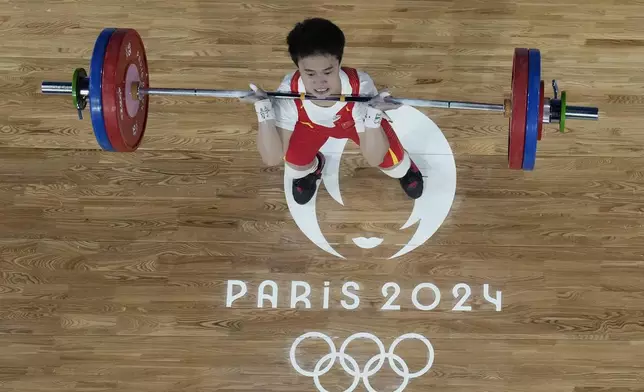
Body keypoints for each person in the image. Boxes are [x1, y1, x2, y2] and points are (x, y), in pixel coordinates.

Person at [240, 17, 424, 205]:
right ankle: (315, 167)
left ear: (339, 62)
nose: (320, 83)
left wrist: (374, 115)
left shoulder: (360, 87)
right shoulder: (290, 91)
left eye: (327, 72)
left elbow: (373, 157)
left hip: (352, 123)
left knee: (393, 164)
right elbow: (271, 158)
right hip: (310, 126)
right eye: (310, 74)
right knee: (296, 167)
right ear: (298, 67)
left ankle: (406, 169)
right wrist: (263, 109)